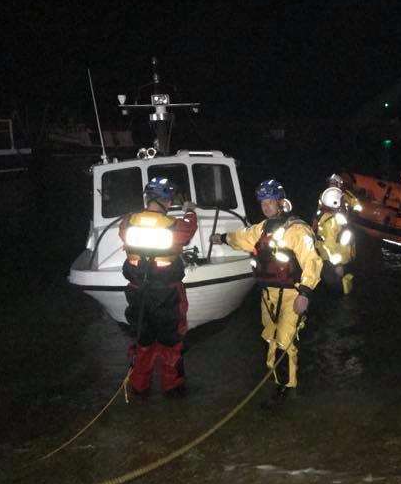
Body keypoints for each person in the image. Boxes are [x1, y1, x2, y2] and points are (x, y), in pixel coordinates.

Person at [209, 179, 323, 408]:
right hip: (268, 295)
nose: (266, 207)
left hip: (292, 293)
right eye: (263, 203)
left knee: (285, 340)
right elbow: (241, 237)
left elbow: (312, 261)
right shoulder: (261, 228)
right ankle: (274, 376)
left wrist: (305, 293)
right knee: (270, 336)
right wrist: (222, 238)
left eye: (270, 202)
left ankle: (286, 387)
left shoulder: (297, 230)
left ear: (281, 202)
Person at [119, 176, 198, 398]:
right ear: (167, 201)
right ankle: (172, 388)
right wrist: (189, 210)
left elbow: (123, 234)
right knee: (171, 342)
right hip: (167, 294)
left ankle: (139, 387)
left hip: (137, 293)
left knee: (143, 340)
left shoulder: (128, 222)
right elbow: (188, 230)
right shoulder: (173, 225)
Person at [312, 174, 359, 295]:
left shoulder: (345, 195)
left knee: (345, 241)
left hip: (342, 223)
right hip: (331, 224)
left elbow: (357, 206)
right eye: (330, 182)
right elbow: (320, 209)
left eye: (334, 182)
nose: (332, 184)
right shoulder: (325, 196)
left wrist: (353, 213)